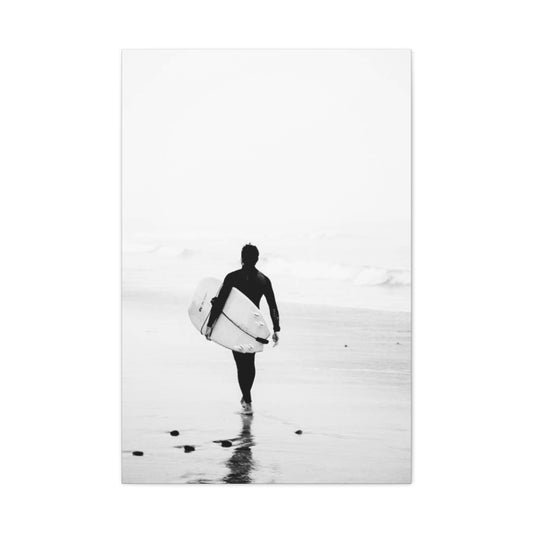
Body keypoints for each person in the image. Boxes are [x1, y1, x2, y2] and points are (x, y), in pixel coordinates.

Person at [205, 244, 280, 415]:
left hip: (236, 326)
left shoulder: (232, 277)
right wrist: (276, 328)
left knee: (240, 364)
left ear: (241, 258)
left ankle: (247, 400)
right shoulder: (263, 280)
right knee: (250, 363)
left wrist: (210, 324)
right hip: (252, 326)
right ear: (257, 259)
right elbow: (272, 306)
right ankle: (247, 398)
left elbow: (220, 301)